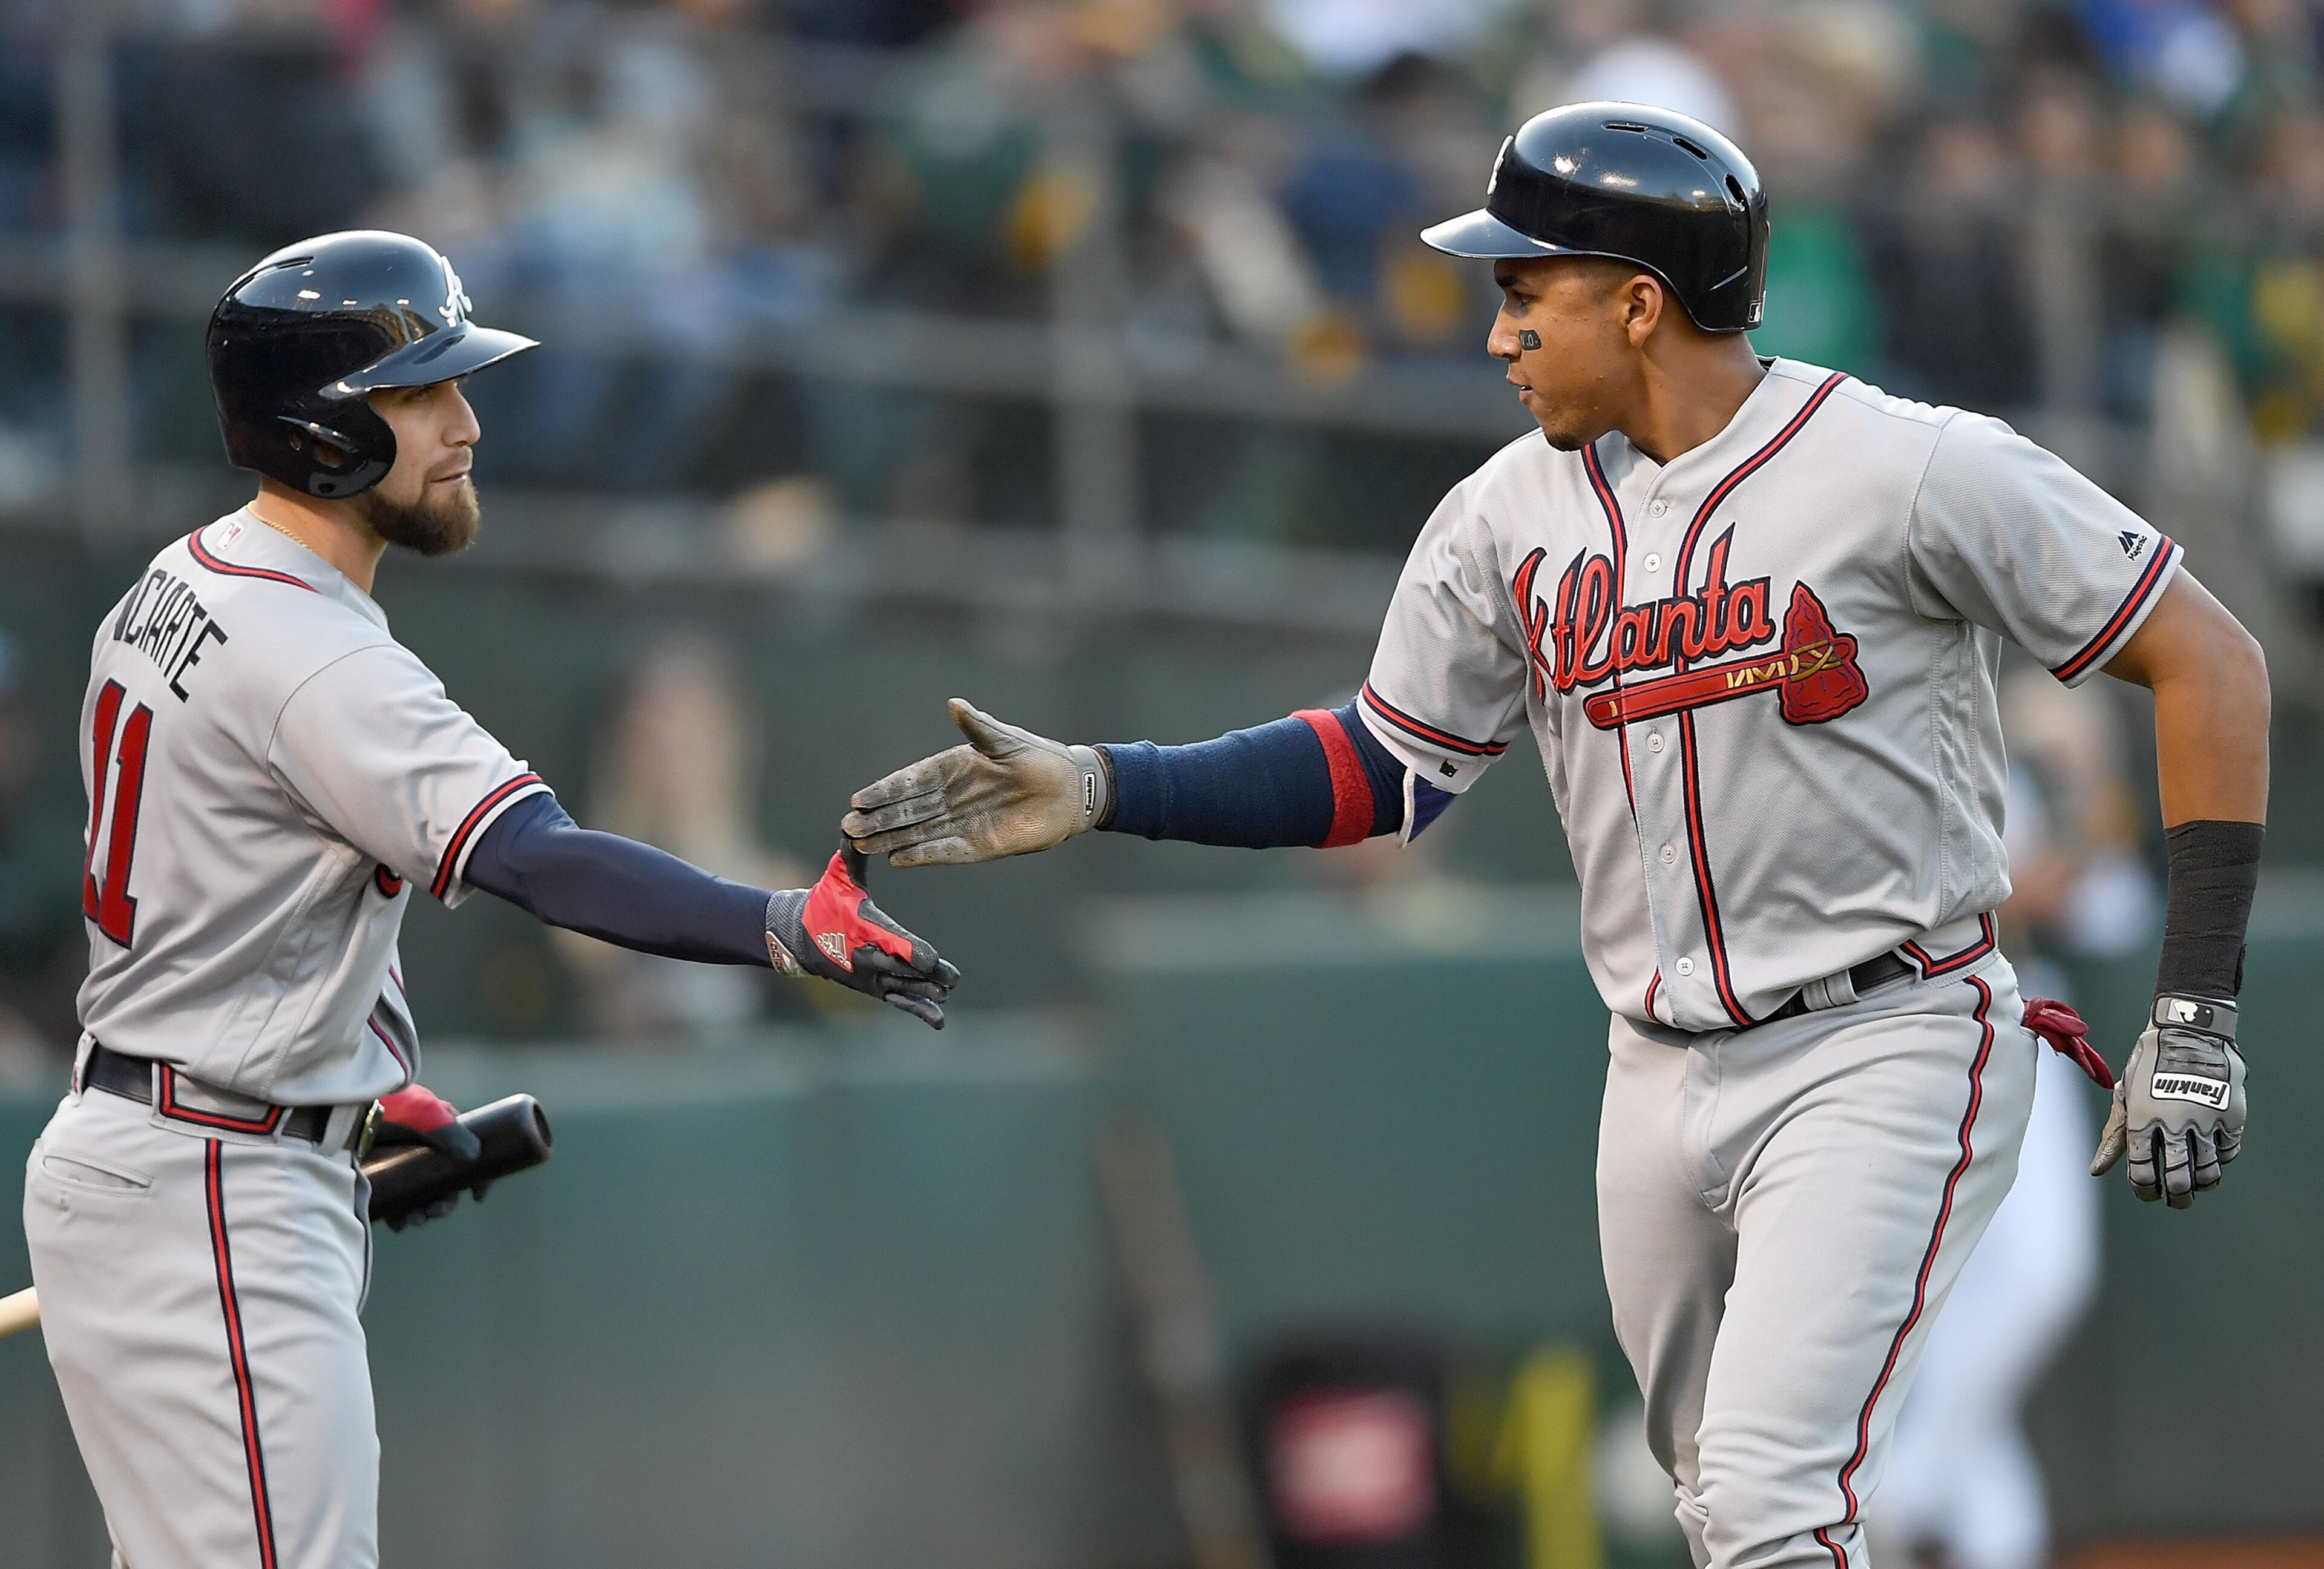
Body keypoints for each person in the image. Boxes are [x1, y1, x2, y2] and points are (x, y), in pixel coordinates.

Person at [843, 105, 2268, 1568]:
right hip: (1653, 1065)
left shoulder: (1909, 466)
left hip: (1885, 1035)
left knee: (1781, 1510)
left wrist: (2197, 1005)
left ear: (1639, 303)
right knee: (1716, 1506)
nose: (1498, 333)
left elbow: (2209, 661)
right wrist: (1103, 782)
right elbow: (1380, 768)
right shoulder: (1501, 517)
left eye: (1526, 292)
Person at [24, 229, 958, 1569]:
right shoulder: (316, 656)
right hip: (213, 1176)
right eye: (422, 395)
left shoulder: (178, 583)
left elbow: (250, 882)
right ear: (325, 428)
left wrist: (357, 1088)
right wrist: (780, 925)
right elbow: (542, 857)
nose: (467, 424)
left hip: (167, 1138)